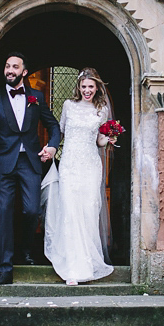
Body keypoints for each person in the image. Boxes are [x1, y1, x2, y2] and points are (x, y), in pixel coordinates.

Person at [0, 53, 61, 285]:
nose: (10, 70)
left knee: (31, 210)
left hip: (30, 162)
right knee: (3, 212)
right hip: (2, 162)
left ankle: (25, 249)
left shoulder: (36, 97)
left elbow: (53, 125)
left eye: (15, 67)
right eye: (7, 66)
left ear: (24, 72)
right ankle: (5, 269)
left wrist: (53, 147)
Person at [43, 67, 116, 285]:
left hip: (91, 165)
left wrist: (109, 139)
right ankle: (72, 269)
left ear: (97, 87)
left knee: (88, 211)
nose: (86, 90)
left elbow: (99, 141)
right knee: (70, 211)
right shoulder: (68, 106)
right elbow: (61, 132)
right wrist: (51, 148)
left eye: (90, 87)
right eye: (83, 86)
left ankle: (87, 263)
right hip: (70, 164)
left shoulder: (101, 109)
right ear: (78, 86)